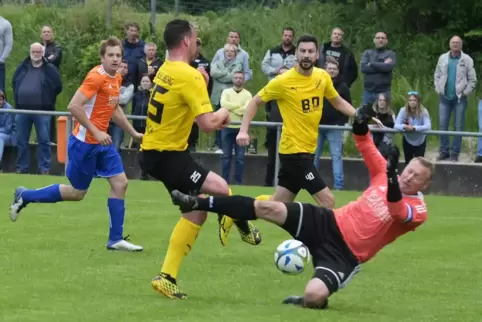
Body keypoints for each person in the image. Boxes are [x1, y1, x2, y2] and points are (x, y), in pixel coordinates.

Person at [171, 105, 433, 309]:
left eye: (415, 177)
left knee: (312, 296)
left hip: (344, 254)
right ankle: (198, 201)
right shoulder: (385, 174)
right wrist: (359, 121)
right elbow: (364, 142)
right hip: (326, 221)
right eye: (408, 171)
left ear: (426, 184)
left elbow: (397, 211)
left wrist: (390, 177)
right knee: (269, 208)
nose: (408, 177)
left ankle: (318, 299)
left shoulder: (418, 210)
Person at [138, 19, 261, 300]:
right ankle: (237, 221)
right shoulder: (189, 75)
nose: (196, 45)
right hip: (167, 154)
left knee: (196, 212)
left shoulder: (165, 69)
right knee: (219, 188)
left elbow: (183, 106)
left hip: (156, 151)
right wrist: (224, 114)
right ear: (185, 41)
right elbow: (206, 124)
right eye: (195, 39)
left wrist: (201, 86)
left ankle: (167, 276)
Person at [9, 36, 144, 252]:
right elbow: (74, 106)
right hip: (85, 144)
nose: (115, 59)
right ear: (102, 57)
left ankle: (115, 239)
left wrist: (133, 133)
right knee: (77, 193)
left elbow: (114, 109)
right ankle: (25, 195)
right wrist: (96, 132)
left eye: (118, 55)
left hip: (102, 143)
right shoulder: (95, 77)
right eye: (110, 55)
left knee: (121, 183)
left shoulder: (115, 78)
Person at [230, 34, 358, 233]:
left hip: (306, 151)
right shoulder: (283, 81)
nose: (306, 55)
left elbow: (337, 101)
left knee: (276, 207)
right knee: (328, 201)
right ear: (296, 53)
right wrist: (243, 130)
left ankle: (236, 212)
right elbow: (255, 101)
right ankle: (325, 248)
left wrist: (359, 115)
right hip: (294, 153)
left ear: (317, 55)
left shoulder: (322, 77)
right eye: (303, 51)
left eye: (310, 52)